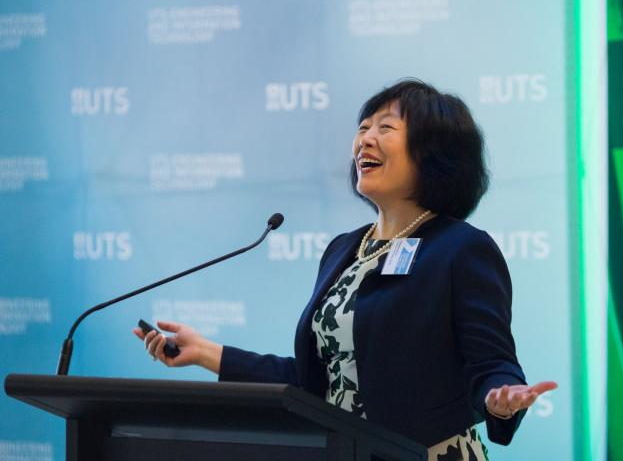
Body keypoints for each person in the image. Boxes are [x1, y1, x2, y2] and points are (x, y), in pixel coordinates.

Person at [134, 79, 557, 461]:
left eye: (385, 128)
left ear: (434, 151)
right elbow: (315, 378)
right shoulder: (344, 250)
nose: (364, 140)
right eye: (363, 127)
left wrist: (501, 396)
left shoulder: (460, 249)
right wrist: (206, 353)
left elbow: (491, 363)